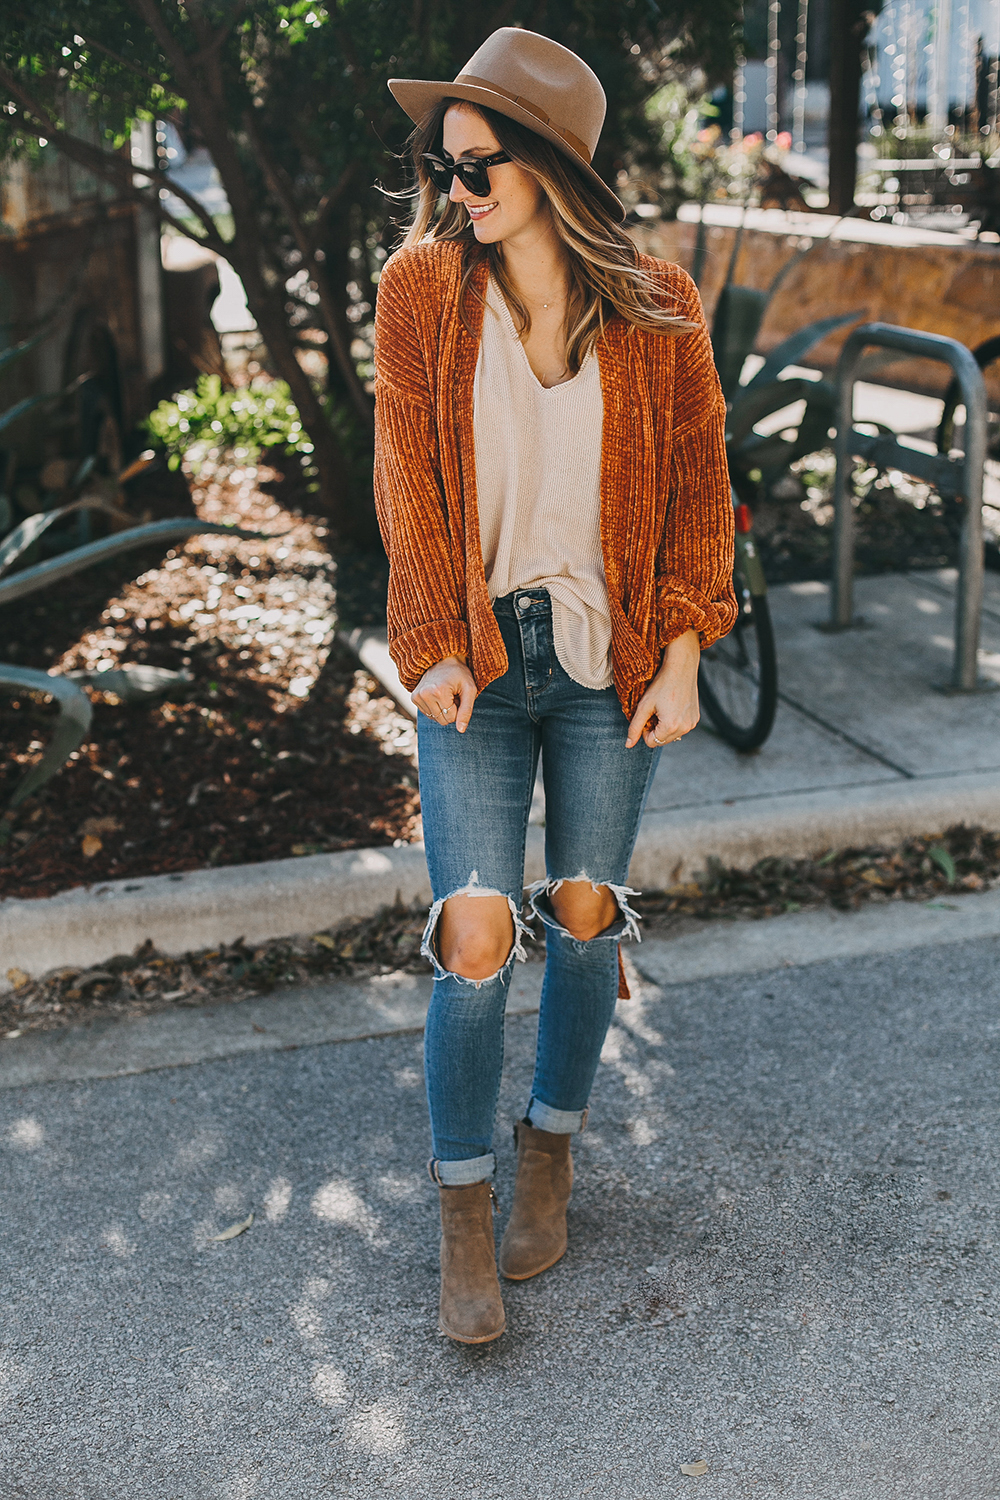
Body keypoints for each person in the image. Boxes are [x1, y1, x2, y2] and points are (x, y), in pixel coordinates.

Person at [375, 27, 736, 1344]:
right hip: (475, 657)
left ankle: (551, 1152)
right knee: (476, 939)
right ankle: (463, 1213)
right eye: (446, 161)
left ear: (549, 165)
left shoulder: (657, 302)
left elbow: (702, 488)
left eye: (481, 162)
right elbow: (406, 482)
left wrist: (687, 649)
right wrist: (430, 644)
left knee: (584, 917)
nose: (457, 184)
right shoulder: (420, 289)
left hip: (607, 661)